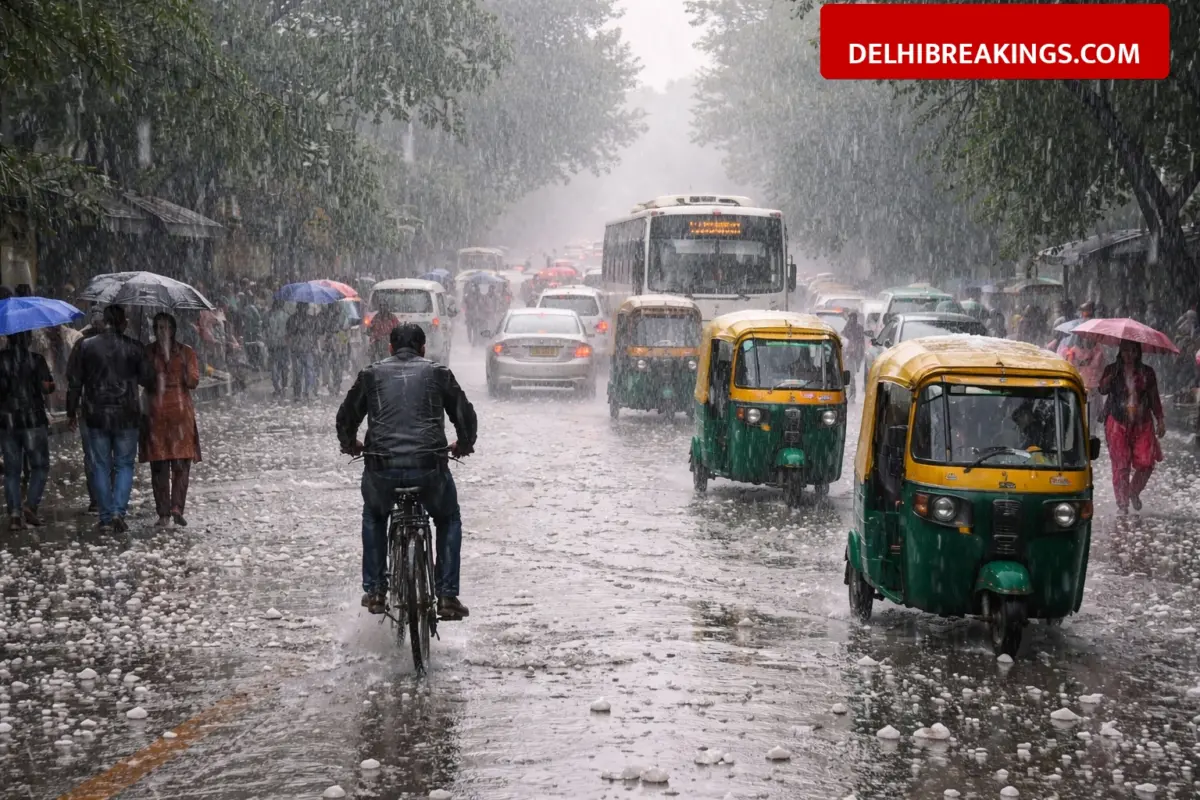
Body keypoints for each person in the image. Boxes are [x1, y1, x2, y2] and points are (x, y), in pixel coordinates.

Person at [336, 323, 477, 620]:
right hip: (429, 468)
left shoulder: (371, 374)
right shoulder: (438, 373)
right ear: (423, 348)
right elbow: (464, 413)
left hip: (381, 468)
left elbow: (346, 416)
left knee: (375, 515)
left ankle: (375, 590)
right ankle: (447, 595)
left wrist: (350, 443)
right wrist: (464, 443)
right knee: (448, 518)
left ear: (389, 348)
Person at [66, 305, 154, 533]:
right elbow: (147, 379)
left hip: (96, 415)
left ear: (104, 321)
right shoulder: (134, 347)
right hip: (127, 415)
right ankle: (118, 512)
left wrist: (70, 410)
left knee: (100, 466)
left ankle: (105, 515)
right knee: (124, 464)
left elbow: (75, 381)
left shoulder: (85, 346)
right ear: (123, 322)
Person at [141, 313, 201, 528]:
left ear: (173, 329)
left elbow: (193, 381)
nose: (161, 331)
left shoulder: (185, 352)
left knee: (180, 462)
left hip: (178, 415)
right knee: (160, 465)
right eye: (157, 327)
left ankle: (176, 508)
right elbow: (143, 379)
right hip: (158, 415)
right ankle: (164, 512)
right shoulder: (149, 352)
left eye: (165, 327)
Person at [1098, 340, 1165, 513]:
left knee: (1146, 462)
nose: (1130, 355)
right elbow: (1102, 390)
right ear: (1120, 351)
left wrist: (1160, 419)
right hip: (1117, 421)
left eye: (1133, 351)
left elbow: (1153, 397)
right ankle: (1122, 504)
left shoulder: (1147, 372)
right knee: (1121, 465)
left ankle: (1133, 492)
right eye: (1126, 351)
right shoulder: (1112, 370)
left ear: (1138, 353)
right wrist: (1112, 376)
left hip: (1142, 422)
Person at [0, 331, 54, 528]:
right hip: (33, 420)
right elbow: (47, 387)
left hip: (7, 422)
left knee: (12, 471)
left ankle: (14, 515)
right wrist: (51, 383)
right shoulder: (36, 360)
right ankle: (30, 505)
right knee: (40, 466)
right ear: (28, 339)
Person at [68, 309, 107, 513]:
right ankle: (104, 496)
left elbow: (73, 379)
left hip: (91, 407)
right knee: (104, 454)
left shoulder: (81, 345)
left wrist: (71, 410)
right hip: (107, 409)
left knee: (93, 455)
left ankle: (98, 498)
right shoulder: (116, 343)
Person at [287, 302, 318, 401]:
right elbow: (289, 332)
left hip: (305, 349)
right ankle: (300, 393)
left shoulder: (310, 319)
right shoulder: (293, 319)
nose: (304, 310)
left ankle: (305, 392)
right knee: (300, 372)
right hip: (298, 350)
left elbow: (315, 333)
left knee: (306, 372)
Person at [265, 298, 291, 397]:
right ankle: (284, 386)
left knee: (274, 367)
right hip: (283, 345)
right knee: (284, 366)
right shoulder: (286, 316)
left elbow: (265, 330)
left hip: (272, 345)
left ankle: (277, 387)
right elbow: (289, 332)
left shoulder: (269, 316)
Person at [841, 312, 866, 399]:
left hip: (854, 356)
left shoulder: (859, 329)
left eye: (853, 318)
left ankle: (852, 394)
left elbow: (861, 343)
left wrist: (859, 356)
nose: (852, 320)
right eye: (850, 318)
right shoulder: (847, 328)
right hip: (848, 356)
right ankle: (851, 394)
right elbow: (843, 340)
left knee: (852, 375)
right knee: (850, 375)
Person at [367, 299, 398, 363]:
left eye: (384, 305)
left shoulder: (391, 317)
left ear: (387, 306)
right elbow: (370, 328)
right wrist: (370, 331)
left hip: (387, 340)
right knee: (372, 353)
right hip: (377, 340)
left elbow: (397, 327)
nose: (382, 307)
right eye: (381, 305)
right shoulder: (376, 317)